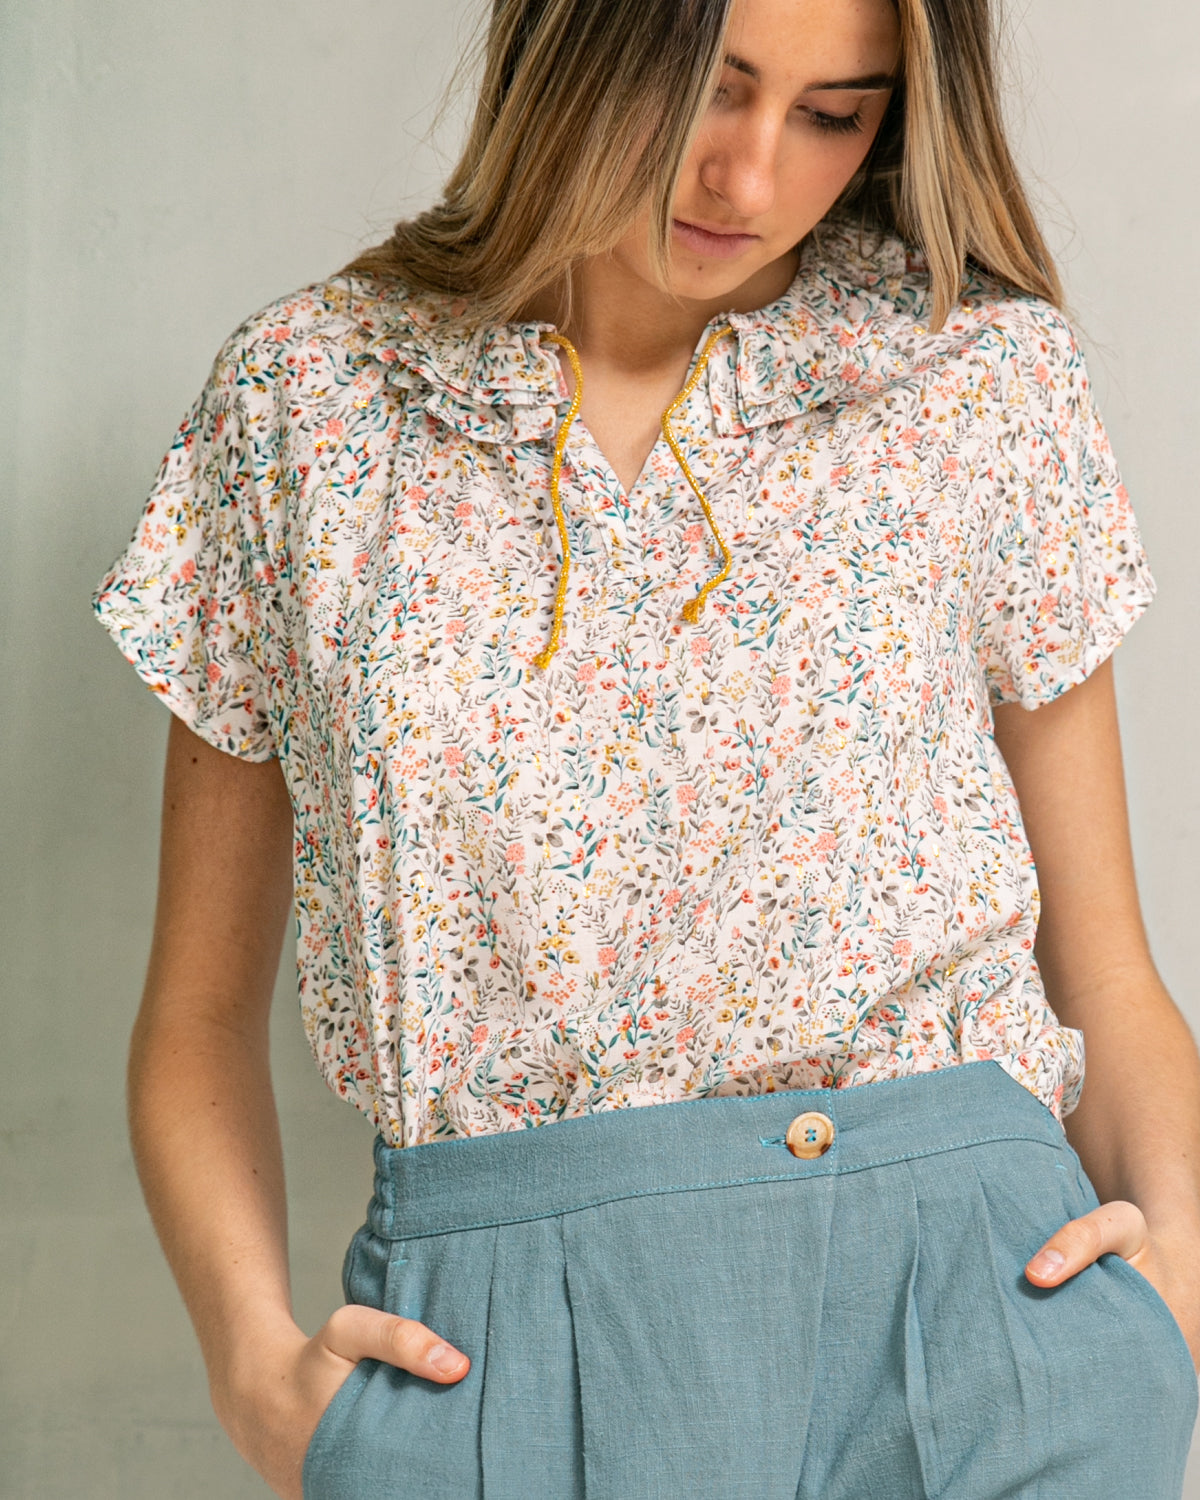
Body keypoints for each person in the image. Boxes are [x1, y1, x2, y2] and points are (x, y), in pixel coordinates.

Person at [93, 0, 1200, 1495]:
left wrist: (1175, 1294)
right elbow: (196, 1012)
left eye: (833, 114)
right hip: (496, 1354)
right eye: (709, 90)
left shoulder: (978, 384)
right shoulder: (310, 405)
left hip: (980, 1317)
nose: (750, 175)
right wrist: (252, 1369)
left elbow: (1108, 969)